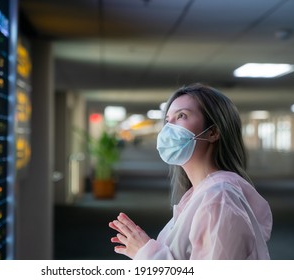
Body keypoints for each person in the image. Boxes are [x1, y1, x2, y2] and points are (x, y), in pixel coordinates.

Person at [108, 83, 273, 260]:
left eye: (182, 116)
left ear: (213, 132)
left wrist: (146, 254)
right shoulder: (201, 194)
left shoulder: (219, 199)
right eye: (167, 120)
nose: (168, 128)